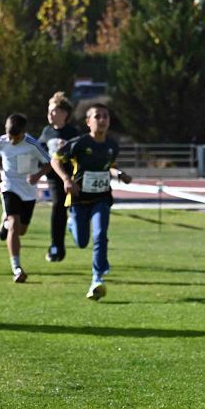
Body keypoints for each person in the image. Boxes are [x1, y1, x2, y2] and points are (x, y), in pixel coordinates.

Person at [52, 103, 131, 300]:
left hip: (101, 198)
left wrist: (119, 173)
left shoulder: (112, 145)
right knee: (81, 242)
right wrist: (66, 179)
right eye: (98, 117)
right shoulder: (78, 143)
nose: (102, 120)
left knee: (100, 235)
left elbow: (110, 165)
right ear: (88, 122)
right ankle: (71, 224)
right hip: (79, 199)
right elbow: (55, 160)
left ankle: (97, 278)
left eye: (106, 116)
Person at [0, 114, 51, 283]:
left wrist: (37, 176)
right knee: (15, 226)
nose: (11, 140)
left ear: (24, 132)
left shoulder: (33, 144)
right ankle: (17, 268)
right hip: (9, 186)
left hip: (28, 191)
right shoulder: (0, 141)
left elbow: (49, 162)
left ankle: (5, 223)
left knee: (21, 230)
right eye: (9, 136)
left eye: (15, 137)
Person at [39, 92, 80, 262]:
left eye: (54, 111)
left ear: (64, 113)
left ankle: (73, 226)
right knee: (58, 207)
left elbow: (81, 153)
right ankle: (56, 246)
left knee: (75, 209)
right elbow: (39, 151)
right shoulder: (47, 132)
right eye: (49, 111)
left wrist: (68, 149)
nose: (50, 114)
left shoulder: (72, 132)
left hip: (72, 176)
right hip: (54, 177)